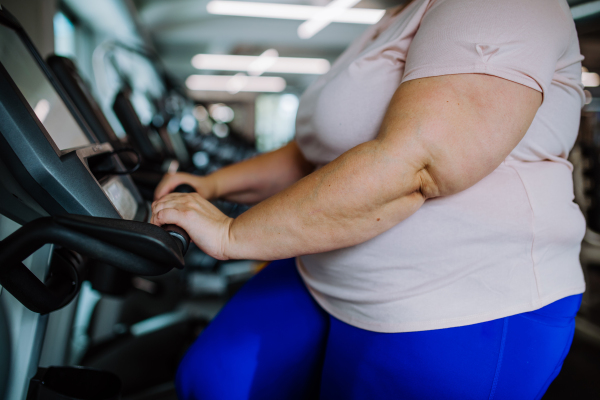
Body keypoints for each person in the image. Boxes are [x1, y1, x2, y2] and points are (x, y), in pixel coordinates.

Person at [151, 0, 586, 398]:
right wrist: (211, 186)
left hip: (459, 301)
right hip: (324, 270)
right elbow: (312, 152)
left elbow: (420, 164)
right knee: (211, 381)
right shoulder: (395, 15)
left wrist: (231, 234)